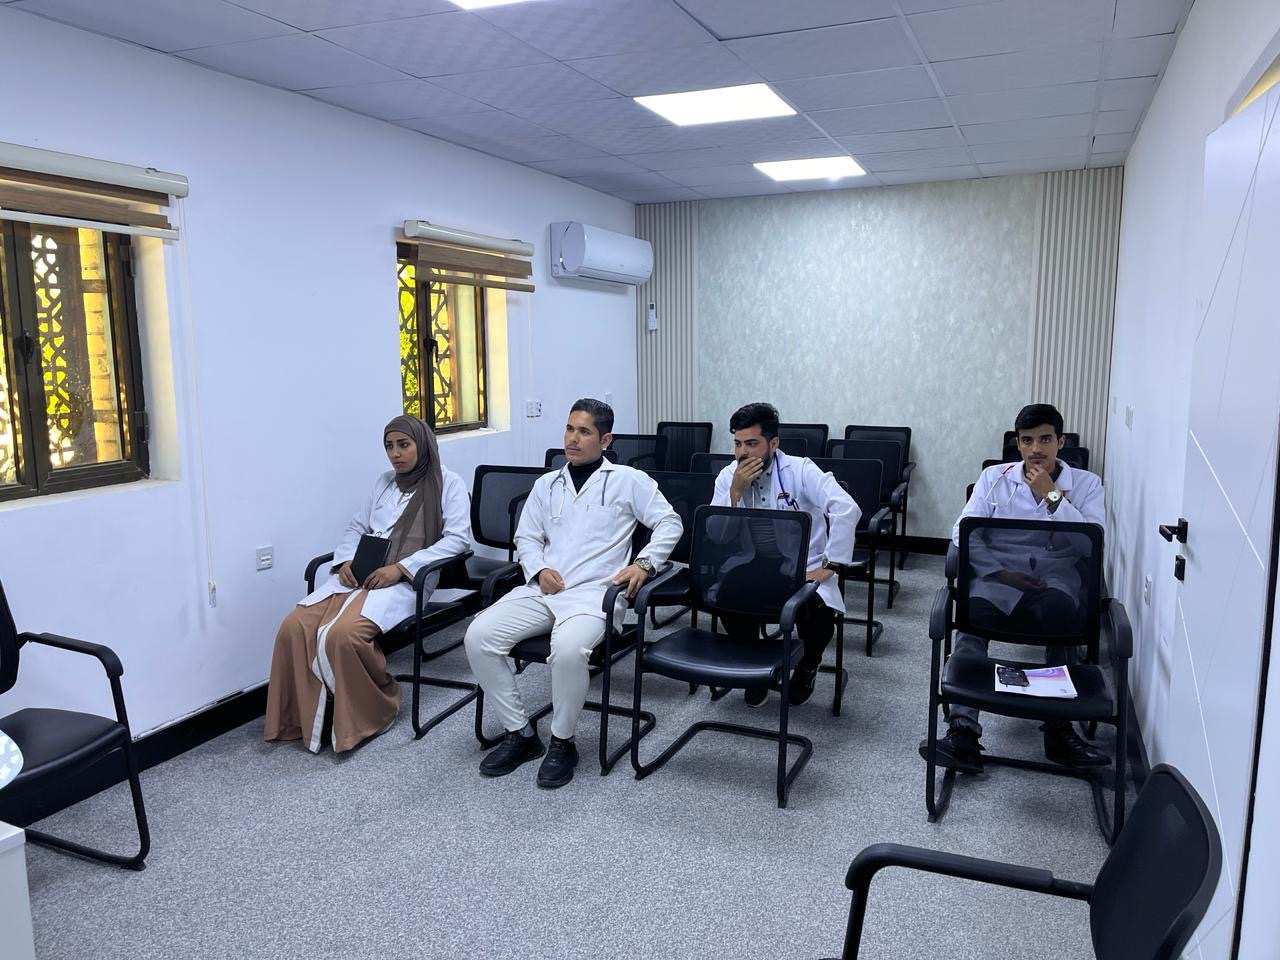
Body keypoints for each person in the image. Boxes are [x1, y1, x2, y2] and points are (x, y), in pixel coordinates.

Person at [464, 399, 681, 789]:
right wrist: (538, 569)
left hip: (594, 596)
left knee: (567, 651)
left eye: (584, 431)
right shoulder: (547, 485)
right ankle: (520, 733)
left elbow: (670, 522)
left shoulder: (628, 480)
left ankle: (562, 741)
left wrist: (644, 564)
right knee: (478, 636)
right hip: (545, 590)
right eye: (569, 429)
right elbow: (527, 538)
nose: (572, 439)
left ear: (605, 439)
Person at [265, 416, 471, 753]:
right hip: (361, 573)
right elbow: (356, 527)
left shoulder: (448, 483)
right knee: (293, 626)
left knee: (343, 634)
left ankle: (377, 706)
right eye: (389, 446)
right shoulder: (385, 483)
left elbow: (458, 540)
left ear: (422, 444)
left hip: (407, 581)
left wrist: (401, 568)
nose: (395, 454)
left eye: (403, 445)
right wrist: (345, 561)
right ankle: (303, 717)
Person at [920, 403, 1107, 773]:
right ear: (1018, 444)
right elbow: (963, 533)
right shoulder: (994, 478)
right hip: (1001, 579)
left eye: (1045, 439)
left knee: (1063, 618)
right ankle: (963, 732)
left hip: (1054, 579)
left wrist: (1052, 495)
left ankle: (1058, 730)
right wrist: (1002, 573)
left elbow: (1092, 543)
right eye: (1027, 440)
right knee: (971, 618)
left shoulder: (1087, 485)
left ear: (1061, 442)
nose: (1036, 448)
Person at [712, 402, 859, 706]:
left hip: (803, 563)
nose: (742, 453)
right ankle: (755, 668)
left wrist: (831, 565)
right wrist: (734, 493)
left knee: (816, 607)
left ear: (773, 443)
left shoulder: (800, 470)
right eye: (738, 444)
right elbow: (716, 534)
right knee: (726, 594)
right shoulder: (729, 476)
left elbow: (846, 508)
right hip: (755, 559)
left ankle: (808, 664)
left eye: (752, 443)